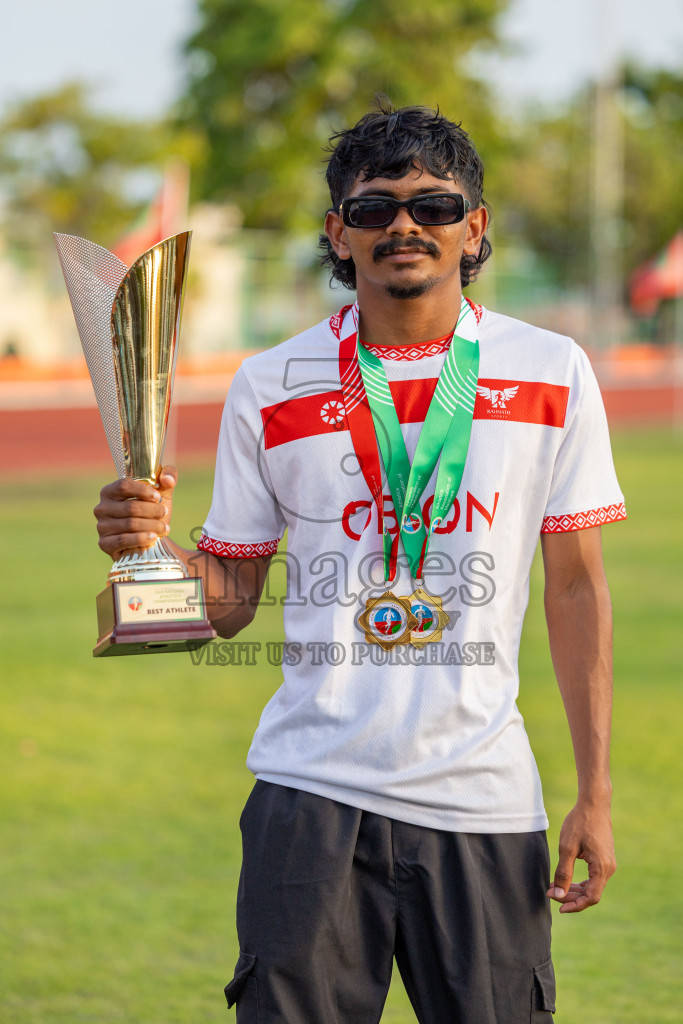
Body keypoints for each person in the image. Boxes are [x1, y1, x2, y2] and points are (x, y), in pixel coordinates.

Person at [95, 104, 625, 1023]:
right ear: (337, 234)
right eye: (372, 208)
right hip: (310, 797)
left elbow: (576, 586)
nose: (403, 226)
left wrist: (595, 793)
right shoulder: (273, 381)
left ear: (476, 226)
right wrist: (145, 555)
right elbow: (225, 605)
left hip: (483, 799)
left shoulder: (552, 370)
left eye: (432, 204)